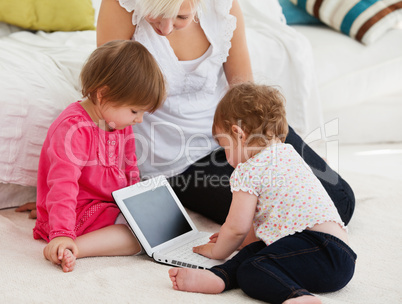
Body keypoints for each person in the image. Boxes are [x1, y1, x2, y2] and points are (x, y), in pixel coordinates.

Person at [17, 0, 355, 227]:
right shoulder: (121, 6)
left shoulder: (223, 7)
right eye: (156, 15)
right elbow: (107, 105)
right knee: (301, 216)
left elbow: (242, 91)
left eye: (180, 17)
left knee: (340, 200)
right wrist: (72, 193)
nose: (164, 27)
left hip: (232, 134)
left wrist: (255, 148)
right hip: (178, 160)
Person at [168, 83, 357, 304]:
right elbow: (255, 230)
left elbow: (237, 228)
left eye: (223, 146)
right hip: (338, 256)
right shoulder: (289, 154)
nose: (225, 154)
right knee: (257, 249)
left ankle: (297, 297)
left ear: (238, 135)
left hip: (317, 251)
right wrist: (239, 244)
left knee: (254, 268)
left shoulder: (248, 171)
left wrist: (217, 251)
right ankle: (220, 277)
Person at [32, 40, 165, 272]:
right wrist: (61, 233)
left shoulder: (119, 124)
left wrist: (138, 205)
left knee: (155, 225)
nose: (139, 119)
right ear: (103, 95)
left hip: (107, 206)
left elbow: (130, 169)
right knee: (139, 238)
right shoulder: (73, 129)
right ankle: (72, 247)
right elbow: (63, 184)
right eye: (135, 111)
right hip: (77, 213)